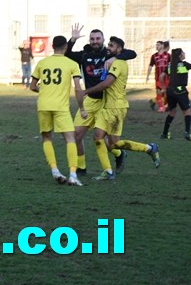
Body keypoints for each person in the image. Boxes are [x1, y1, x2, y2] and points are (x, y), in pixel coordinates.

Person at [79, 36, 161, 181]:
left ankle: (109, 171)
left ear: (119, 50)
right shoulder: (113, 60)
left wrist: (86, 91)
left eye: (111, 46)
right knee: (111, 143)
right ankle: (148, 149)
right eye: (108, 45)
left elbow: (106, 84)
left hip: (114, 107)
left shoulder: (118, 63)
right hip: (112, 106)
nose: (108, 47)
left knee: (100, 138)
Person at [65, 24, 136, 175]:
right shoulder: (84, 55)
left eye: (98, 38)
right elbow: (65, 53)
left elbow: (132, 53)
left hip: (106, 102)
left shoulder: (109, 54)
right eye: (92, 39)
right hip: (90, 101)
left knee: (110, 143)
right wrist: (72, 40)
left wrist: (116, 57)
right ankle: (81, 167)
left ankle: (119, 154)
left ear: (103, 39)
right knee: (76, 135)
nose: (95, 41)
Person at [29, 36, 85, 186]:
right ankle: (73, 174)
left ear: (52, 46)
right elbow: (78, 89)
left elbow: (33, 86)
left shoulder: (42, 63)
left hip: (44, 105)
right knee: (70, 139)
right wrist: (82, 108)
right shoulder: (72, 64)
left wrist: (46, 90)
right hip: (61, 107)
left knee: (47, 138)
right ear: (66, 47)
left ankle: (55, 171)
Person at [146, 40, 171, 113]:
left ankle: (154, 102)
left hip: (167, 78)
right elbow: (150, 66)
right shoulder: (154, 56)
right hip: (158, 78)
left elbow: (171, 65)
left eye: (158, 45)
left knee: (166, 93)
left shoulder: (168, 55)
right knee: (159, 92)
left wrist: (172, 75)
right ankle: (161, 107)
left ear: (163, 46)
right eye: (156, 45)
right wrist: (147, 76)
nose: (157, 46)